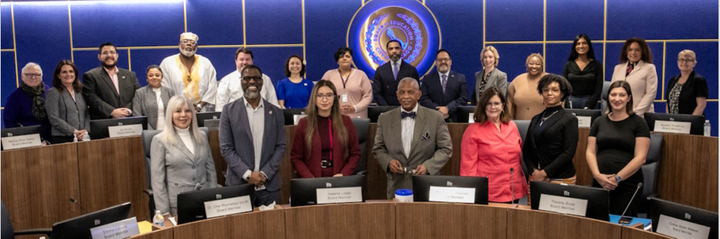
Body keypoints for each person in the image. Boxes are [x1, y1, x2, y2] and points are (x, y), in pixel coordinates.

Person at [372, 77, 452, 199]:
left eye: (410, 92)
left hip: (427, 185)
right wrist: (388, 162)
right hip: (396, 186)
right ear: (397, 95)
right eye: (402, 92)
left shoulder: (435, 118)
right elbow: (378, 148)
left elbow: (446, 149)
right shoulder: (384, 119)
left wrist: (428, 166)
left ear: (419, 94)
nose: (406, 96)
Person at [219, 65, 286, 206]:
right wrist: (248, 175)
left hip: (269, 187)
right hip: (239, 186)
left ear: (262, 82)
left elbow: (281, 146)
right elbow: (226, 148)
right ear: (241, 81)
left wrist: (264, 174)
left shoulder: (276, 112)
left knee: (272, 228)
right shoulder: (228, 111)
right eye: (247, 78)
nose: (251, 82)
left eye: (256, 78)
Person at [586, 81, 650, 216]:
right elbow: (590, 151)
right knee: (598, 223)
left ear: (629, 98)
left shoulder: (639, 123)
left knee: (622, 227)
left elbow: (641, 158)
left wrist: (617, 178)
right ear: (608, 97)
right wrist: (597, 175)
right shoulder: (599, 122)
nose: (617, 99)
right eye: (613, 94)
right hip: (600, 182)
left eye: (622, 95)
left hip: (627, 184)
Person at [150, 95, 217, 215]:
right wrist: (164, 212)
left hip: (205, 201)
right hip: (177, 206)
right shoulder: (160, 140)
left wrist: (213, 199)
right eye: (178, 111)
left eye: (187, 111)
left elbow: (210, 171)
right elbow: (157, 181)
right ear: (170, 114)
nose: (183, 115)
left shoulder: (201, 136)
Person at [460, 87, 527, 203]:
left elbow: (519, 157)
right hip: (489, 192)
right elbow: (468, 167)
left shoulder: (512, 126)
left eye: (496, 103)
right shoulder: (473, 130)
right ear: (483, 106)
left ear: (503, 106)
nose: (493, 107)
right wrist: (470, 191)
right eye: (489, 104)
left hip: (514, 189)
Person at [290, 81, 360, 178]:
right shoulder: (304, 123)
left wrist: (343, 174)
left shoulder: (346, 121)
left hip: (339, 178)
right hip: (312, 179)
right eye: (320, 95)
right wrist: (309, 178)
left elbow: (355, 154)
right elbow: (296, 157)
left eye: (329, 95)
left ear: (335, 98)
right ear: (314, 98)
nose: (324, 99)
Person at [523, 74, 578, 184]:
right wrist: (534, 171)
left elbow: (568, 153)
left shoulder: (570, 119)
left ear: (562, 93)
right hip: (535, 177)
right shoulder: (535, 119)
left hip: (560, 177)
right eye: (545, 90)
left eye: (554, 90)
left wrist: (544, 173)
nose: (549, 93)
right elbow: (527, 150)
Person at [159, 32, 217, 112]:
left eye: (192, 43)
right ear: (179, 44)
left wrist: (200, 105)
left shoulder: (205, 63)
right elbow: (164, 89)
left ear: (196, 47)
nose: (189, 44)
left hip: (200, 110)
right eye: (185, 42)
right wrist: (179, 107)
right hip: (176, 110)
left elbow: (212, 87)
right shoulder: (167, 63)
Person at [82, 42, 141, 120]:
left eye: (112, 52)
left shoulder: (130, 75)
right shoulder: (90, 76)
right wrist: (112, 111)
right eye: (105, 53)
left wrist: (127, 110)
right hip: (104, 123)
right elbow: (92, 99)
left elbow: (138, 96)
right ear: (99, 57)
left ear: (117, 56)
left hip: (129, 121)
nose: (109, 55)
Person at [45, 60, 90, 144]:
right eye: (64, 72)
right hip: (62, 138)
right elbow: (54, 118)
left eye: (71, 71)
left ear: (75, 74)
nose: (68, 74)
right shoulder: (53, 92)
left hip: (83, 137)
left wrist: (85, 130)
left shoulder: (80, 91)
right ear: (58, 75)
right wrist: (74, 131)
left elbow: (87, 112)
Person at [3, 62, 51, 141]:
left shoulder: (48, 91)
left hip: (50, 138)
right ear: (22, 76)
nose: (33, 77)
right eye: (28, 75)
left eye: (37, 74)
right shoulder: (15, 97)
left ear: (41, 76)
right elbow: (9, 122)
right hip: (27, 140)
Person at [611, 37, 657, 117]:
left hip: (640, 115)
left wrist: (635, 113)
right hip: (619, 114)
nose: (633, 52)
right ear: (626, 51)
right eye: (630, 49)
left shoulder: (649, 68)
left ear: (642, 52)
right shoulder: (618, 68)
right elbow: (612, 92)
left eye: (637, 50)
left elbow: (650, 94)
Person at [321, 47, 373, 118]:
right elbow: (321, 94)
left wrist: (355, 108)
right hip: (335, 116)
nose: (344, 58)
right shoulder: (329, 75)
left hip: (357, 116)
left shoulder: (361, 75)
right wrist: (334, 107)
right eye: (341, 57)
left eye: (347, 56)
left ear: (351, 59)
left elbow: (368, 96)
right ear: (337, 60)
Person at [419, 49, 468, 122]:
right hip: (432, 120)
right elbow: (424, 99)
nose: (443, 62)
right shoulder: (427, 79)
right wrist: (438, 110)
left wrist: (448, 108)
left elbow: (463, 98)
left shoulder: (460, 78)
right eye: (440, 60)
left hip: (455, 120)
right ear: (436, 63)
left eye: (445, 59)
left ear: (450, 62)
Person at [372, 40, 420, 106]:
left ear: (401, 50)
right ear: (387, 51)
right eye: (391, 49)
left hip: (406, 109)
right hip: (386, 111)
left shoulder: (411, 70)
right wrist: (388, 109)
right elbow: (377, 93)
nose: (394, 51)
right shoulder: (380, 70)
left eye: (397, 48)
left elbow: (416, 91)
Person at [563, 34, 603, 109]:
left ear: (589, 46)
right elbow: (563, 87)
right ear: (575, 47)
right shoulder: (569, 65)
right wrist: (568, 103)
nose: (581, 46)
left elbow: (598, 90)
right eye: (578, 44)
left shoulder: (597, 65)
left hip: (589, 102)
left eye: (584, 43)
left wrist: (589, 105)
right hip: (571, 102)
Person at [132, 65, 176, 130]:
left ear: (162, 77)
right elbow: (137, 114)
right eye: (151, 75)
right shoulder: (140, 93)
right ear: (147, 77)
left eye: (157, 75)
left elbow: (175, 112)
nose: (154, 77)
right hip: (148, 132)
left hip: (169, 130)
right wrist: (150, 131)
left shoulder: (170, 92)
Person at [665, 49, 708, 115]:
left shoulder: (699, 80)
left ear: (694, 63)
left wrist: (691, 122)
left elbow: (701, 105)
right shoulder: (673, 80)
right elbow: (669, 102)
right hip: (673, 123)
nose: (684, 62)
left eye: (688, 60)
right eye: (681, 59)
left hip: (691, 122)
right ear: (677, 62)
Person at [508, 53, 546, 120]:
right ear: (527, 65)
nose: (534, 66)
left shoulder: (550, 80)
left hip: (545, 127)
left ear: (542, 66)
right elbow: (510, 105)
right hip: (520, 127)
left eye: (537, 64)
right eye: (531, 64)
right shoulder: (516, 81)